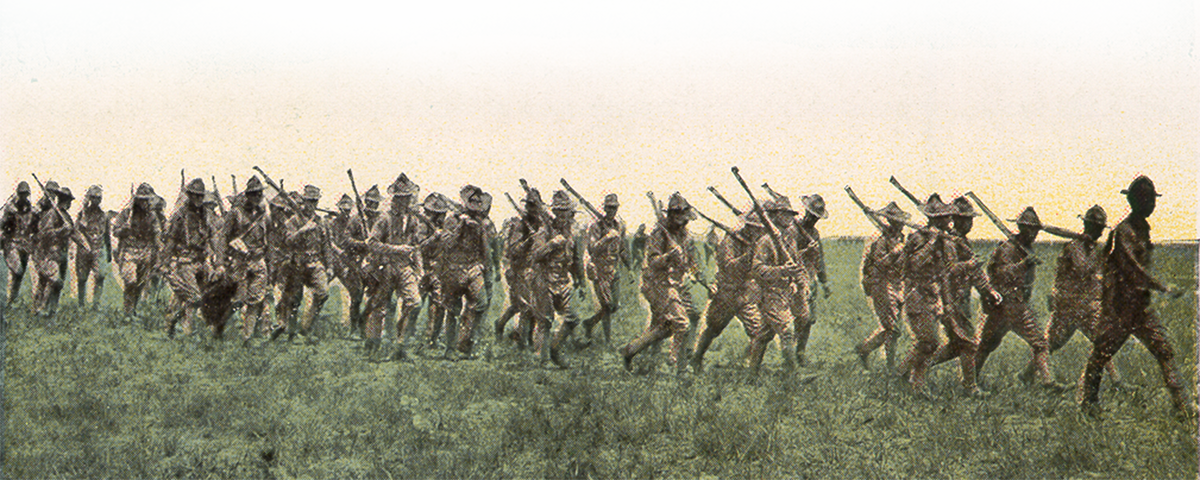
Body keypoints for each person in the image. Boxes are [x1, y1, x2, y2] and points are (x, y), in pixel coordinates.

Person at [1079, 176, 1187, 414]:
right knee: (1101, 353)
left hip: (1140, 306)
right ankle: (1088, 403)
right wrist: (1162, 287)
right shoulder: (1124, 231)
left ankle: (1182, 406)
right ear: (1135, 201)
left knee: (1164, 350)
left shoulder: (1142, 229)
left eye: (1152, 199)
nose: (1151, 204)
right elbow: (1133, 270)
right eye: (1146, 199)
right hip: (1120, 307)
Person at [1033, 205, 1121, 384]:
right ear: (1088, 227)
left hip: (1087, 306)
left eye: (1100, 229)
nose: (1098, 233)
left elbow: (1099, 277)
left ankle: (1117, 381)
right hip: (1067, 306)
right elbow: (1079, 271)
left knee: (1101, 341)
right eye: (1096, 228)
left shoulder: (1094, 249)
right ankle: (1028, 374)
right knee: (1051, 344)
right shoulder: (1073, 248)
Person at [974, 207, 1059, 390]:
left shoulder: (1026, 248)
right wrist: (1023, 265)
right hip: (1006, 305)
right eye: (1031, 230)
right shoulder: (1008, 248)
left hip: (1017, 306)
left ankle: (1047, 382)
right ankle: (970, 380)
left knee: (1037, 343)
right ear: (1022, 228)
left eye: (1036, 230)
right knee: (988, 345)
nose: (1035, 234)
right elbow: (1000, 273)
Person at [926, 196, 1002, 396]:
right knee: (969, 343)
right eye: (967, 219)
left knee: (956, 345)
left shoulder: (960, 242)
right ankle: (970, 388)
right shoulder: (948, 243)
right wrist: (969, 266)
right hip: (950, 300)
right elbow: (948, 271)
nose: (970, 223)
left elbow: (976, 273)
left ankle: (916, 368)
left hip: (961, 300)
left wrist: (989, 291)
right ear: (957, 220)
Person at [619, 193, 697, 373]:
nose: (683, 222)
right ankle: (677, 364)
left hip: (674, 284)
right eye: (678, 218)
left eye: (684, 218)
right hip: (656, 284)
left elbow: (691, 261)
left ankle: (630, 351)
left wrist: (694, 273)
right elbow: (652, 262)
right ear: (671, 216)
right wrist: (668, 257)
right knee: (681, 321)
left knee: (664, 327)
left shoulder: (685, 236)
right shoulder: (659, 234)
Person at [690, 213, 765, 373]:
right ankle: (696, 358)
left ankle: (751, 370)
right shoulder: (730, 240)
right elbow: (729, 266)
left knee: (758, 331)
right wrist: (748, 256)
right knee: (713, 328)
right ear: (749, 227)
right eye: (756, 229)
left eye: (760, 229)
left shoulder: (758, 242)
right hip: (727, 292)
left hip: (745, 294)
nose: (759, 232)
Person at [895, 194, 954, 394]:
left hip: (932, 296)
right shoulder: (918, 238)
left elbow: (943, 273)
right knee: (929, 342)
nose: (950, 220)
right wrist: (931, 242)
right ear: (937, 220)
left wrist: (947, 304)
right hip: (916, 295)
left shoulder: (945, 242)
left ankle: (917, 386)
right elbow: (914, 264)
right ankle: (901, 373)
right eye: (946, 217)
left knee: (927, 344)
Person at [362, 174, 423, 361]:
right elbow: (371, 242)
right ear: (395, 199)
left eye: (407, 197)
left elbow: (416, 246)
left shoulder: (413, 220)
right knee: (381, 307)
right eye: (402, 198)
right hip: (385, 267)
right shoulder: (384, 219)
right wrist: (396, 249)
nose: (405, 201)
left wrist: (420, 269)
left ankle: (400, 345)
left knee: (415, 303)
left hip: (405, 267)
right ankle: (374, 347)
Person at [440, 186, 493, 358]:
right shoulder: (452, 219)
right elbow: (447, 244)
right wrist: (461, 227)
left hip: (474, 267)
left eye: (479, 201)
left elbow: (485, 249)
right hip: (454, 269)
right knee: (453, 310)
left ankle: (469, 343)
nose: (476, 204)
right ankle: (450, 348)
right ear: (465, 201)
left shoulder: (481, 221)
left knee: (482, 304)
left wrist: (489, 271)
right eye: (473, 200)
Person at [854, 202, 907, 372]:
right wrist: (896, 252)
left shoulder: (901, 238)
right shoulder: (881, 240)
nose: (900, 224)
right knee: (893, 329)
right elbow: (880, 264)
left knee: (892, 330)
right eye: (897, 221)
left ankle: (867, 351)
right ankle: (882, 362)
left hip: (898, 285)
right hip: (881, 284)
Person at [274, 185, 331, 343]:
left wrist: (330, 266)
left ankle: (306, 326)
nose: (311, 204)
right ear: (303, 201)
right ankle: (292, 333)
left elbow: (326, 245)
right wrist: (303, 230)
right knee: (294, 300)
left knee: (323, 293)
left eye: (314, 201)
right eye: (309, 201)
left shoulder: (320, 222)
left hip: (315, 262)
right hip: (297, 263)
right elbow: (287, 241)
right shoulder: (293, 220)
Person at [217, 176, 270, 343]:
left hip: (258, 260)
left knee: (255, 300)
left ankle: (247, 338)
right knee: (239, 300)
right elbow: (223, 238)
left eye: (259, 194)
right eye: (254, 194)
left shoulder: (264, 215)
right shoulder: (236, 213)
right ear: (247, 195)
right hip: (240, 261)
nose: (257, 197)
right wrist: (220, 262)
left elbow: (270, 240)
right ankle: (220, 324)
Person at [493, 189, 546, 349]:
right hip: (518, 269)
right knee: (526, 306)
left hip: (534, 269)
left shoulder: (541, 224)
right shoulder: (519, 225)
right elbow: (513, 250)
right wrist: (528, 241)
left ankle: (502, 325)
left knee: (527, 305)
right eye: (530, 205)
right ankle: (523, 342)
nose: (533, 209)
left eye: (535, 205)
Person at [162, 179, 215, 338]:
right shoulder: (180, 215)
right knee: (194, 297)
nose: (198, 199)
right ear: (189, 196)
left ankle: (175, 323)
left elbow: (212, 237)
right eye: (195, 196)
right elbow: (171, 240)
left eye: (200, 196)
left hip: (201, 260)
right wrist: (164, 263)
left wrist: (218, 260)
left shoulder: (206, 214)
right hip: (185, 260)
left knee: (184, 296)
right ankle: (182, 328)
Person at [111, 183, 163, 319]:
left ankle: (132, 310)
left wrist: (160, 248)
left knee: (140, 283)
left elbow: (157, 233)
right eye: (141, 199)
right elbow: (115, 231)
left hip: (145, 252)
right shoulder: (126, 213)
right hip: (129, 251)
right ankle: (127, 311)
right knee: (131, 281)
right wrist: (124, 230)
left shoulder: (152, 216)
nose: (144, 202)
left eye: (146, 199)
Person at [582, 193, 628, 344]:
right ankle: (607, 341)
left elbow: (621, 248)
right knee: (607, 306)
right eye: (609, 207)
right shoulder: (596, 227)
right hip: (600, 270)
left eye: (614, 208)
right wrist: (606, 238)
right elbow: (592, 248)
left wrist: (628, 263)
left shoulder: (618, 226)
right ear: (604, 208)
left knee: (614, 306)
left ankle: (590, 323)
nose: (611, 210)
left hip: (614, 269)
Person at [32, 186, 81, 319]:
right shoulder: (52, 214)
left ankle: (51, 311)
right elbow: (45, 234)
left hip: (62, 253)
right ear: (65, 200)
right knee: (50, 280)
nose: (70, 203)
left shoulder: (66, 216)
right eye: (69, 200)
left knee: (57, 284)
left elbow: (73, 233)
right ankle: (40, 308)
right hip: (49, 252)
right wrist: (61, 230)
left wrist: (83, 245)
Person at [792, 194, 830, 366]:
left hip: (810, 280)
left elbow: (819, 259)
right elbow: (786, 256)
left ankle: (800, 352)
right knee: (798, 318)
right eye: (812, 215)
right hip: (793, 280)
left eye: (817, 217)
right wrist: (804, 252)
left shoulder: (814, 233)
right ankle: (790, 353)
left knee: (809, 320)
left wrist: (824, 282)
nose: (813, 219)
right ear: (806, 213)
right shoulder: (793, 230)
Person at [74, 185, 111, 309]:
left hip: (98, 249)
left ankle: (96, 304)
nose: (96, 200)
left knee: (100, 275)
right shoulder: (82, 214)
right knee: (82, 278)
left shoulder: (104, 216)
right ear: (89, 198)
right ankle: (81, 304)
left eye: (98, 198)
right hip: (84, 250)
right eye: (93, 198)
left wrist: (109, 252)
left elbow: (106, 235)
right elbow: (76, 232)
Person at [1, 182, 35, 307]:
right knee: (17, 270)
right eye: (21, 194)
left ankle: (12, 299)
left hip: (24, 245)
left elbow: (32, 226)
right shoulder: (10, 207)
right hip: (11, 243)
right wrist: (8, 215)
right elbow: (3, 225)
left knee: (20, 274)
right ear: (18, 193)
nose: (23, 196)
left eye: (25, 194)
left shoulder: (29, 207)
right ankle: (6, 299)